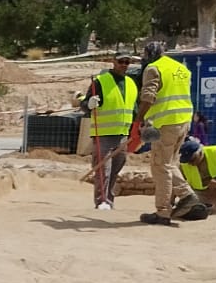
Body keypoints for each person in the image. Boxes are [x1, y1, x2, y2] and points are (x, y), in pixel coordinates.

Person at [129, 41, 195, 227]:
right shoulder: (180, 68)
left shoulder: (153, 68)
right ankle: (186, 196)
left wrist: (139, 119)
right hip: (183, 121)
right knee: (169, 163)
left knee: (160, 167)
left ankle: (164, 211)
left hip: (166, 123)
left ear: (149, 54)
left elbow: (148, 96)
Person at [82, 51, 138, 211]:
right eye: (121, 61)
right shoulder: (101, 81)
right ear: (114, 62)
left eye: (127, 62)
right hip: (103, 135)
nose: (124, 65)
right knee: (103, 170)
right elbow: (85, 105)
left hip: (122, 135)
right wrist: (89, 104)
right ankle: (101, 201)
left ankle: (109, 200)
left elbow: (134, 109)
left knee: (115, 170)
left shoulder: (131, 84)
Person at [177, 135, 216, 216]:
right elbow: (177, 183)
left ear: (200, 152)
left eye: (192, 159)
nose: (191, 163)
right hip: (199, 193)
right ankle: (203, 208)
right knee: (185, 208)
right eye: (188, 161)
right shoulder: (184, 165)